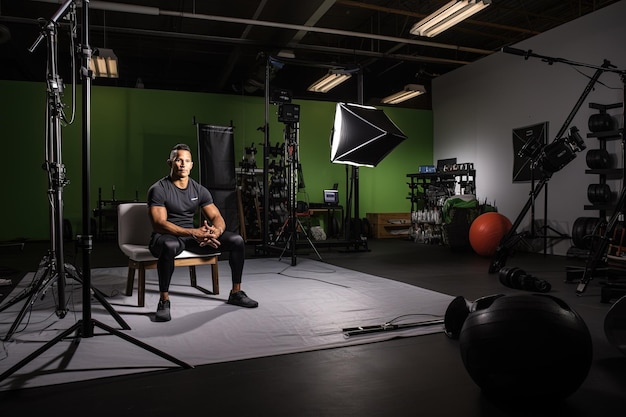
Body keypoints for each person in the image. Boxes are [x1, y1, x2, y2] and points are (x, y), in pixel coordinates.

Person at [147, 143, 258, 322]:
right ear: (170, 163)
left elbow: (216, 216)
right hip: (165, 238)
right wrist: (193, 233)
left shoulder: (198, 189)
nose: (183, 164)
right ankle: (164, 301)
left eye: (187, 161)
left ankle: (236, 292)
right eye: (178, 160)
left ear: (192, 165)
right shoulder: (159, 189)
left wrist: (215, 231)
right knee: (169, 244)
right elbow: (159, 224)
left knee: (237, 240)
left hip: (192, 237)